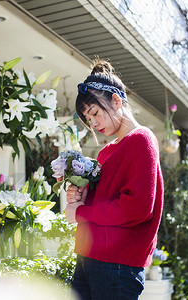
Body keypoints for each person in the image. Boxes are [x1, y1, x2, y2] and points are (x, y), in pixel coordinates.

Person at [65, 60, 164, 300]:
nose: (94, 124)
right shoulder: (106, 152)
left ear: (116, 101)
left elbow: (136, 208)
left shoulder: (142, 139)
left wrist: (81, 213)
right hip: (89, 258)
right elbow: (105, 202)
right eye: (88, 119)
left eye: (96, 113)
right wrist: (81, 196)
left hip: (117, 266)